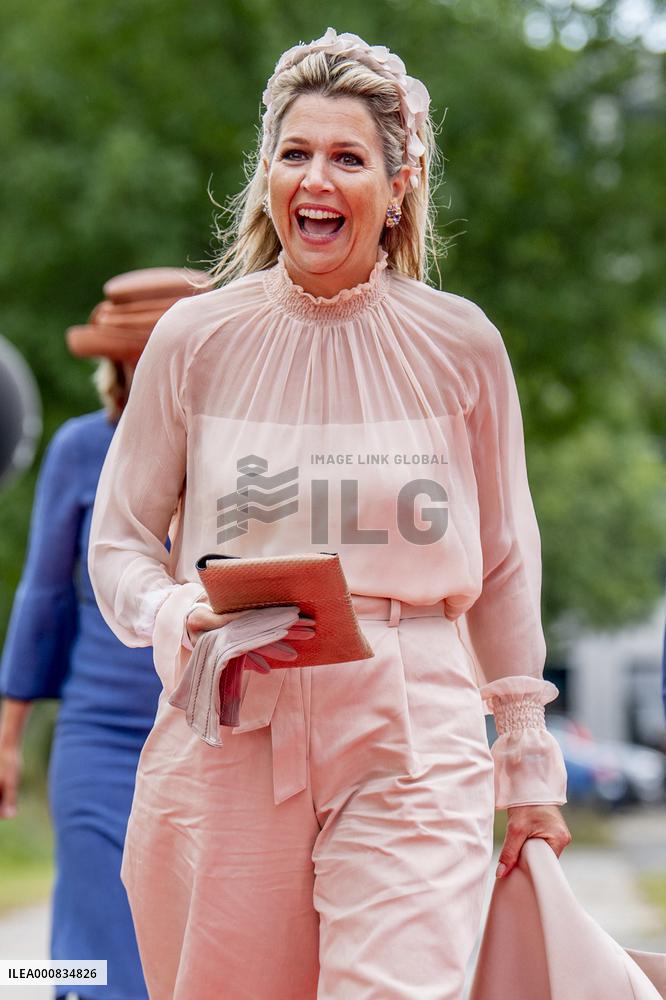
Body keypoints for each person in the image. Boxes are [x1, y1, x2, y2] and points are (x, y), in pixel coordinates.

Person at [87, 28, 571, 999]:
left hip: (413, 721)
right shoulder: (193, 341)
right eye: (295, 152)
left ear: (398, 188)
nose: (316, 178)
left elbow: (505, 560)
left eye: (348, 158)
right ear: (267, 174)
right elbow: (119, 544)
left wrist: (526, 763)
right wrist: (177, 611)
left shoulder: (462, 346)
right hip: (233, 718)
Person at [0, 267, 203, 1000]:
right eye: (138, 356)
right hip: (100, 738)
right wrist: (8, 737)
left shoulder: (236, 454)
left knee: (191, 955)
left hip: (204, 738)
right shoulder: (80, 449)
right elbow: (44, 596)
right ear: (116, 365)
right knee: (92, 957)